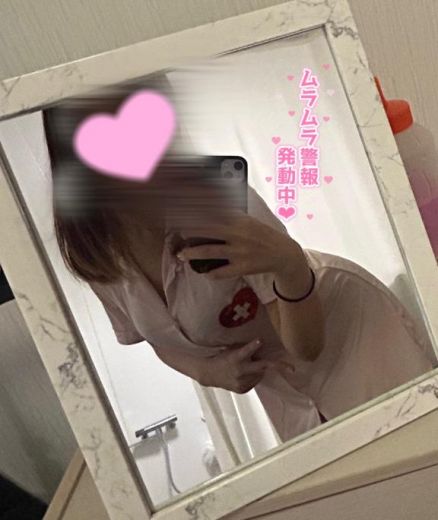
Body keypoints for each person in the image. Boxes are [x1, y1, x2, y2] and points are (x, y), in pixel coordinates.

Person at [43, 93, 435, 443]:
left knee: (414, 455)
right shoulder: (96, 252)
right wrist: (205, 371)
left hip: (348, 333)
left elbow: (307, 348)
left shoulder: (213, 200)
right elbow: (157, 339)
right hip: (282, 389)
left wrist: (288, 264)